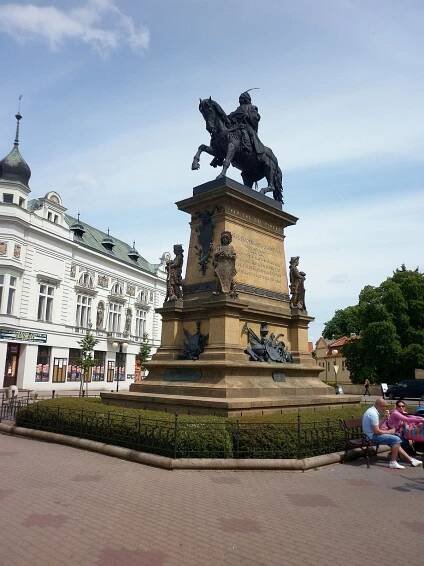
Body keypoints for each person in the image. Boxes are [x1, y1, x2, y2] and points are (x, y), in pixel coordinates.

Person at [362, 398, 422, 469]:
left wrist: (384, 418)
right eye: (384, 406)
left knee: (394, 441)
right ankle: (393, 462)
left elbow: (377, 427)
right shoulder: (373, 414)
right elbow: (376, 431)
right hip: (371, 437)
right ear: (379, 405)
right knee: (396, 439)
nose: (385, 408)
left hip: (371, 434)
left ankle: (411, 460)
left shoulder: (372, 411)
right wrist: (389, 432)